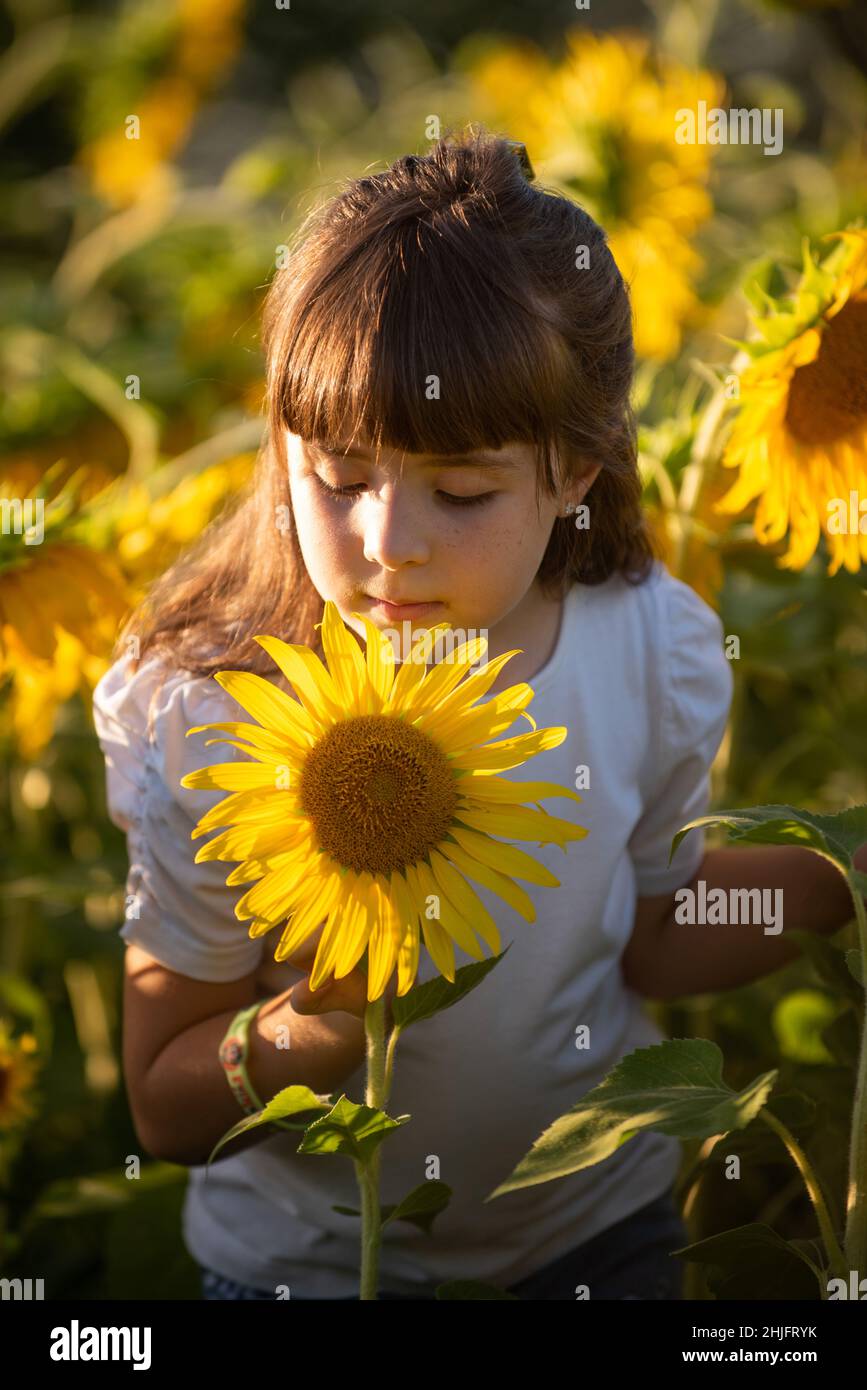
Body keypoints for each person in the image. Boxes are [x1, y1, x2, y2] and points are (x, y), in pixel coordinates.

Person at [92, 129, 864, 1301]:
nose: (387, 544)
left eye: (461, 490)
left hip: (599, 1236)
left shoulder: (646, 649)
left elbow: (648, 927)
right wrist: (319, 1022)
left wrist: (839, 877)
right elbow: (164, 1102)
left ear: (578, 472)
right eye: (338, 478)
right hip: (312, 1271)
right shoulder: (215, 714)